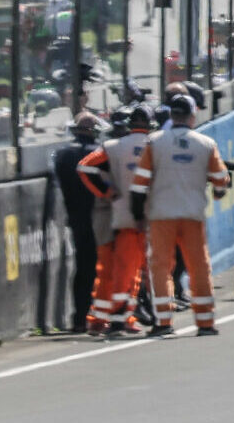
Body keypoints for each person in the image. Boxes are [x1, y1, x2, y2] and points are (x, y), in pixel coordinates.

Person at [132, 95, 229, 336]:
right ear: (192, 115)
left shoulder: (154, 142)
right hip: (192, 213)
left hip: (161, 214)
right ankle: (205, 322)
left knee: (161, 267)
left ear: (171, 115)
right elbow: (221, 182)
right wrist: (217, 192)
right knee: (199, 266)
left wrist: (137, 213)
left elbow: (139, 184)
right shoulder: (206, 143)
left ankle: (164, 322)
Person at [77, 104, 153, 336]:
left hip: (123, 217)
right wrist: (108, 192)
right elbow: (85, 168)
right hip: (119, 217)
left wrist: (110, 192)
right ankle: (106, 320)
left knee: (127, 271)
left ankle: (117, 317)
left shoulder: (117, 148)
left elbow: (85, 168)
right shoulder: (117, 148)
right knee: (116, 271)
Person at [53, 113, 109, 332]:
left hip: (76, 217)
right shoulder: (101, 153)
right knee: (107, 266)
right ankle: (104, 316)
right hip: (101, 215)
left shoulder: (62, 155)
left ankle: (79, 317)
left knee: (83, 267)